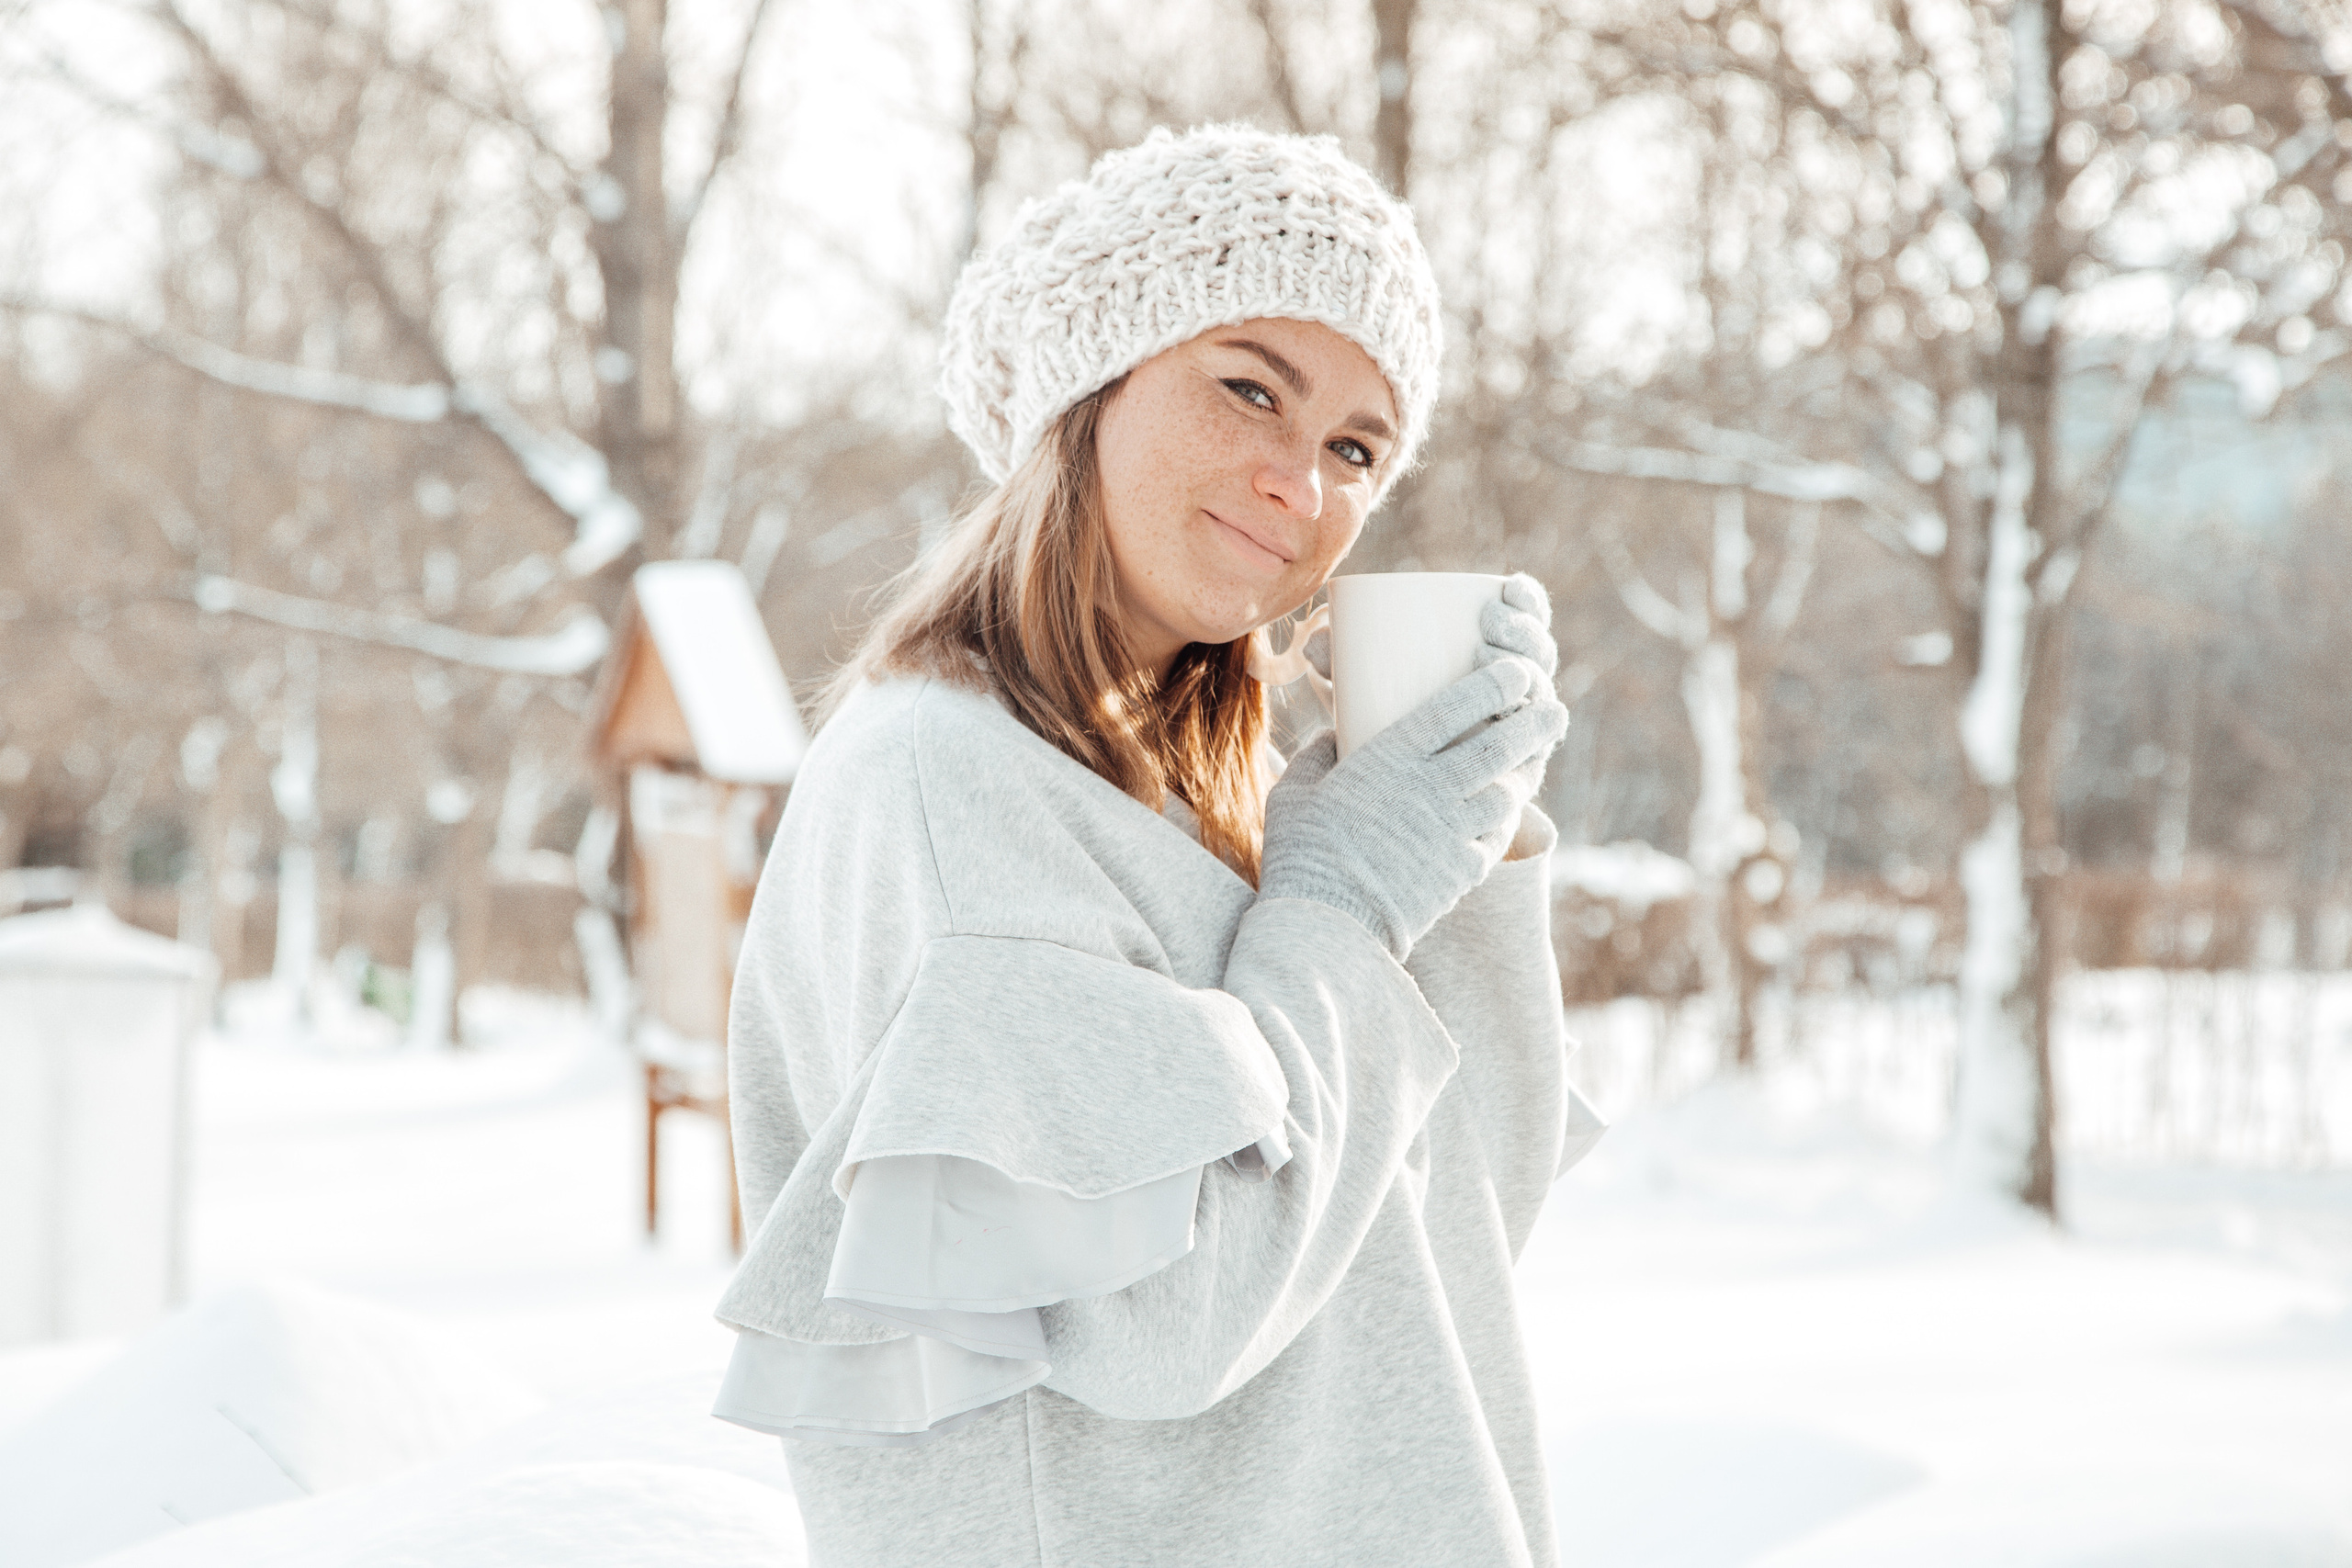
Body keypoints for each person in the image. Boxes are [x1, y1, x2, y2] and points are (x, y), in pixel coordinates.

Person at [709, 122, 1605, 1568]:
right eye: (1251, 388)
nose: (1301, 484)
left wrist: (1468, 847)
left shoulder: (1205, 803)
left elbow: (1452, 1233)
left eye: (1356, 448)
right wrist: (1347, 901)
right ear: (1092, 383)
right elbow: (1168, 1324)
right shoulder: (953, 790)